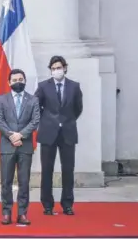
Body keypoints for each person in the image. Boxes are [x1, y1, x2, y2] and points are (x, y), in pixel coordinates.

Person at [35, 55, 83, 216]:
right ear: (50, 70)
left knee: (68, 169)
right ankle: (47, 204)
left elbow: (78, 108)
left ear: (65, 68)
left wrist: (66, 121)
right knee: (47, 169)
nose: (56, 71)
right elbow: (36, 106)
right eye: (53, 68)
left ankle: (67, 204)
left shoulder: (74, 86)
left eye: (59, 68)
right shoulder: (43, 86)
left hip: (68, 132)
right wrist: (48, 120)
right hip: (48, 133)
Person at [0, 69, 40, 225]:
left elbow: (35, 121)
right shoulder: (1, 99)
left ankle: (22, 214)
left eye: (21, 79)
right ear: (9, 83)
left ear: (25, 81)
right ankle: (6, 213)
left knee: (24, 181)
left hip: (25, 146)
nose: (18, 82)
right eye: (14, 80)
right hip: (7, 145)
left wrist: (20, 135)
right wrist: (11, 136)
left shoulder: (33, 100)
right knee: (6, 181)